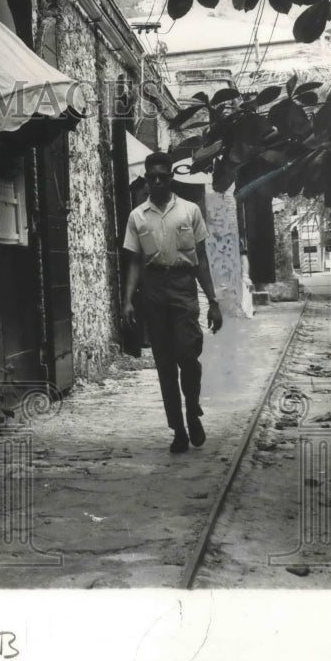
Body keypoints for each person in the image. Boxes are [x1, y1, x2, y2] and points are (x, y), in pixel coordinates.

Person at [122, 152, 223, 453]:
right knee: (165, 364)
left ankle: (192, 410)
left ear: (170, 177)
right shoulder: (137, 216)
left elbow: (201, 259)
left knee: (188, 356)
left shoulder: (190, 211)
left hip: (183, 287)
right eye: (151, 177)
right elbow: (134, 263)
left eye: (162, 176)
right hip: (153, 290)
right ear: (147, 179)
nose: (156, 181)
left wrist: (213, 301)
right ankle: (178, 429)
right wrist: (127, 300)